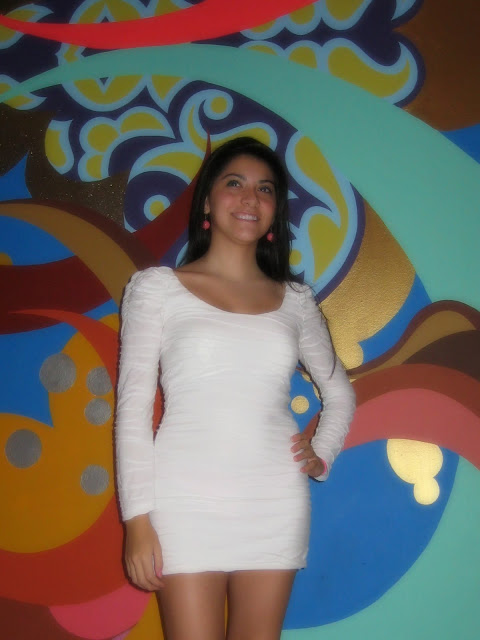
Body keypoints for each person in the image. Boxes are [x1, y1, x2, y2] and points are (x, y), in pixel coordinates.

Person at [115, 136, 356, 640]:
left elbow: (340, 393)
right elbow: (133, 409)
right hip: (183, 501)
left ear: (275, 210)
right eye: (235, 183)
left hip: (274, 499)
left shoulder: (295, 300)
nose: (251, 198)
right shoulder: (157, 288)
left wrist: (323, 453)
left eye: (265, 189)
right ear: (207, 201)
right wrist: (137, 521)